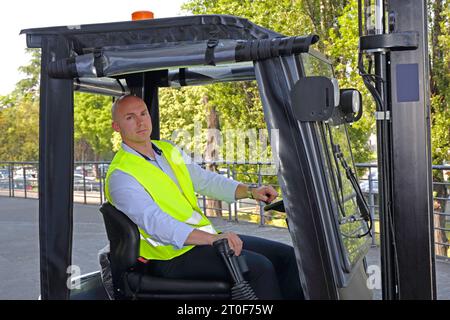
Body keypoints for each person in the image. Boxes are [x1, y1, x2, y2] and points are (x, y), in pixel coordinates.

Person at [105, 94, 303, 299]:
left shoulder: (167, 150)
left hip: (200, 242)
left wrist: (250, 191)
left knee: (287, 257)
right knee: (259, 269)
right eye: (130, 117)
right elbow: (155, 223)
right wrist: (212, 239)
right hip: (170, 256)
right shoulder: (121, 175)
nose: (140, 122)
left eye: (143, 113)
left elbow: (205, 180)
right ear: (116, 127)